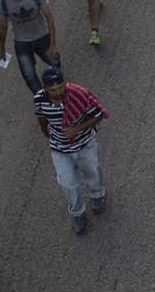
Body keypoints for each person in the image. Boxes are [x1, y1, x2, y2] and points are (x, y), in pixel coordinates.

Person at [34, 67, 110, 234]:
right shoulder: (39, 99)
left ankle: (98, 195)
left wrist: (77, 129)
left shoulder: (79, 94)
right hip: (60, 149)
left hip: (85, 144)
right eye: (53, 90)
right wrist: (49, 135)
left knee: (93, 172)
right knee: (68, 184)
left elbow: (98, 114)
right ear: (45, 89)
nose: (59, 92)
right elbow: (41, 118)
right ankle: (77, 213)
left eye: (61, 87)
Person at [0, 0, 59, 95]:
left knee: (55, 62)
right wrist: (2, 50)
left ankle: (57, 89)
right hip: (22, 42)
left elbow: (49, 18)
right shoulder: (2, 5)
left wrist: (53, 44)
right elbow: (2, 29)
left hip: (42, 36)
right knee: (29, 74)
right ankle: (44, 99)